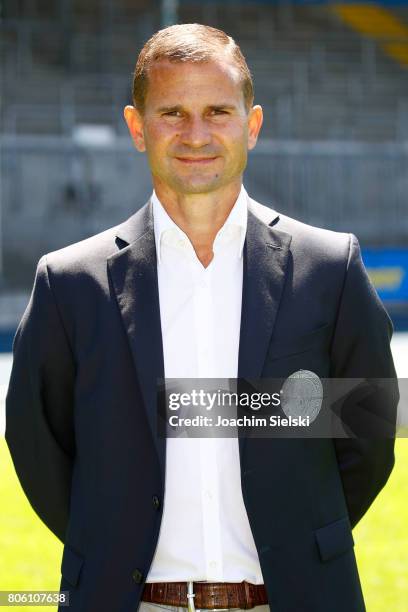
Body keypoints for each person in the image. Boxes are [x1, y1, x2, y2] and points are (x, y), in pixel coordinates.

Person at [5, 23, 398, 612]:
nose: (196, 134)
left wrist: (301, 543)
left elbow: (367, 435)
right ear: (137, 128)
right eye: (172, 113)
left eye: (218, 111)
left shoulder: (329, 267)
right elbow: (39, 445)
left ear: (252, 124)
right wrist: (114, 547)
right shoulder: (69, 284)